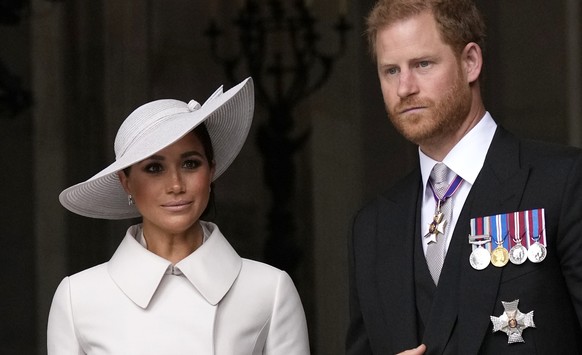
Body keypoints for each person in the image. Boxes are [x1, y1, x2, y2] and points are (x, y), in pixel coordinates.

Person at [347, 0, 582, 354]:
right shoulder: (372, 228)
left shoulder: (563, 182)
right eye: (390, 71)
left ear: (470, 61)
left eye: (422, 64)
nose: (404, 87)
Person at [47, 77, 310, 354]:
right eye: (153, 168)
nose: (175, 185)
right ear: (126, 182)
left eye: (190, 164)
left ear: (211, 171)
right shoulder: (78, 298)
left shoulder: (269, 289)